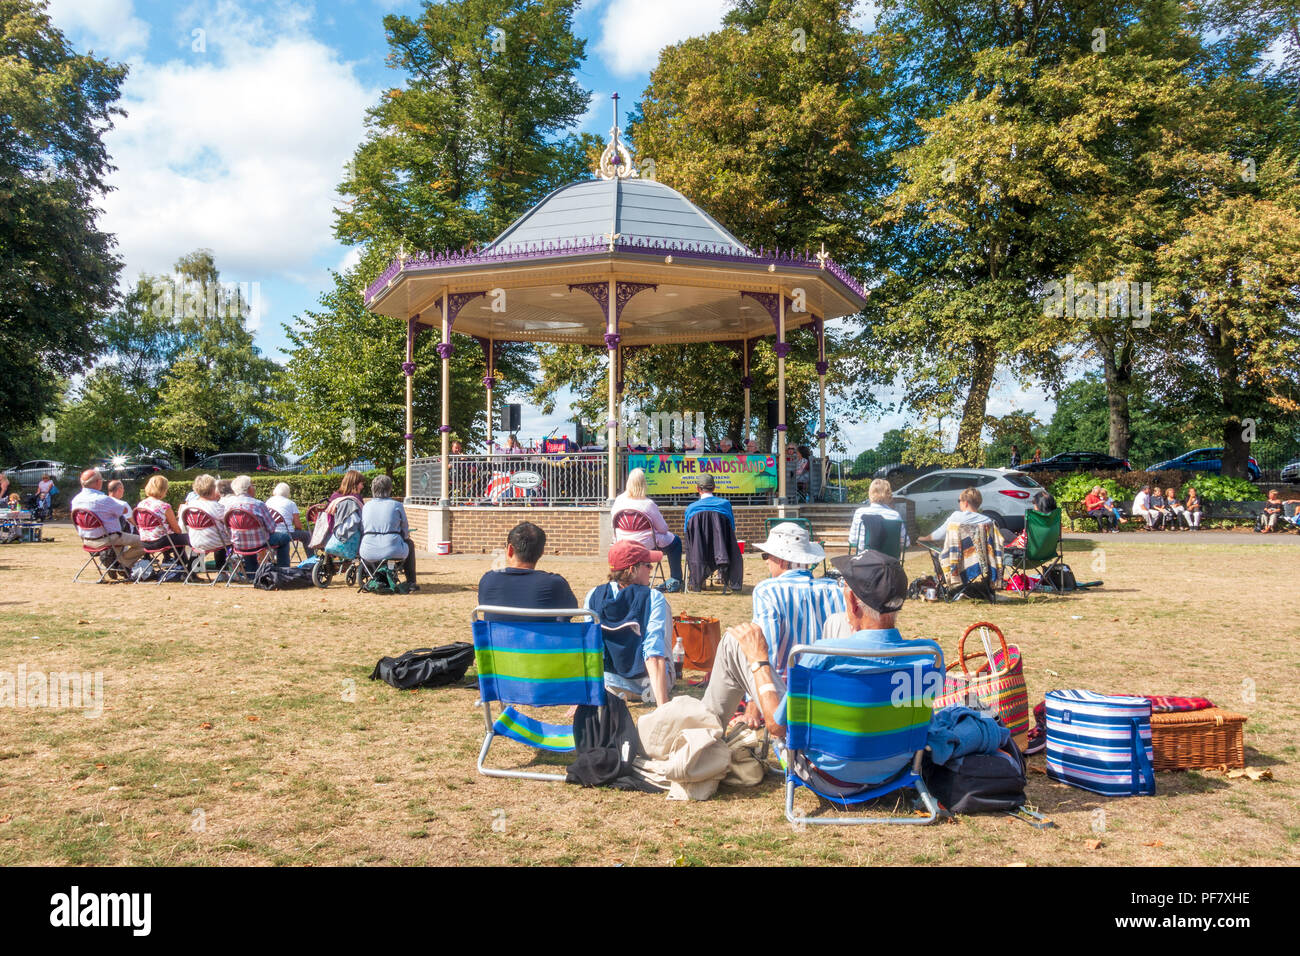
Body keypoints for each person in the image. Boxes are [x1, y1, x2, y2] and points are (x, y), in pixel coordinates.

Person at [701, 549, 942, 796]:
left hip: (827, 776)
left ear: (851, 600)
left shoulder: (818, 656)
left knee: (735, 642)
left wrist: (759, 661)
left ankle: (700, 740)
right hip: (894, 771)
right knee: (837, 622)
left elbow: (776, 726)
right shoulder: (929, 656)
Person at [749, 521, 845, 687]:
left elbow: (767, 649)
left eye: (766, 555)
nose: (765, 561)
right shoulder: (835, 589)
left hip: (785, 687)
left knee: (732, 645)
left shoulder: (767, 590)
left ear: (781, 560)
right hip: (826, 685)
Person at [584, 541, 672, 707]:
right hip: (648, 689)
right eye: (648, 565)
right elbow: (653, 653)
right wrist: (663, 707)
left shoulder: (593, 595)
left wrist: (586, 697)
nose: (651, 569)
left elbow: (590, 649)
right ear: (632, 570)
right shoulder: (653, 597)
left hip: (610, 686)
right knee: (661, 628)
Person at [476, 521, 577, 621]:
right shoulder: (556, 584)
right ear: (541, 552)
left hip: (499, 637)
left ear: (510, 549)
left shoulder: (488, 580)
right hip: (542, 637)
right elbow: (568, 613)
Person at [611, 468, 683, 591]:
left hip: (623, 545)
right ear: (644, 484)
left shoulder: (618, 501)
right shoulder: (648, 504)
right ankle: (676, 579)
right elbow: (663, 529)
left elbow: (613, 524)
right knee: (675, 542)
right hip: (646, 546)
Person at [69, 468, 146, 571]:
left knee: (120, 537)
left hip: (87, 541)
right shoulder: (102, 499)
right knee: (146, 543)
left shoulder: (75, 500)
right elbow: (123, 510)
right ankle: (122, 563)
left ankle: (117, 561)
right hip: (109, 539)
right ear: (98, 482)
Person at [683, 473, 740, 593]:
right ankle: (722, 575)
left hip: (699, 552)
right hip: (721, 552)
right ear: (714, 488)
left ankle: (698, 578)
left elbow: (687, 533)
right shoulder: (725, 505)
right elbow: (732, 529)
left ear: (698, 489)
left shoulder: (691, 508)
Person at [359, 474, 418, 588]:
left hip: (368, 550)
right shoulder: (396, 505)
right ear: (389, 488)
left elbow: (363, 527)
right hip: (393, 548)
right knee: (409, 544)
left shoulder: (366, 506)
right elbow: (405, 527)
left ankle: (378, 577)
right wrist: (404, 537)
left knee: (374, 548)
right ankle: (411, 582)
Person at [226, 474, 291, 570]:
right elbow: (271, 528)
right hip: (260, 542)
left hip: (239, 543)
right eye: (253, 485)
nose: (254, 487)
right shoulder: (258, 504)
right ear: (249, 489)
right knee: (285, 537)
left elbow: (226, 528)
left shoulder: (229, 506)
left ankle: (251, 573)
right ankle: (283, 570)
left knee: (248, 541)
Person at [135, 475, 193, 563]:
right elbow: (176, 529)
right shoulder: (164, 506)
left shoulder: (140, 505)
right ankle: (190, 567)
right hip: (160, 541)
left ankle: (180, 564)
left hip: (144, 542)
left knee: (176, 539)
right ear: (163, 489)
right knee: (192, 539)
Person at [179, 474, 231, 563]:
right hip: (216, 542)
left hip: (194, 541)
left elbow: (183, 526)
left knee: (202, 539)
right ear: (213, 489)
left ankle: (193, 571)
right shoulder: (217, 507)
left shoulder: (189, 506)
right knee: (224, 538)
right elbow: (228, 524)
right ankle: (222, 571)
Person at [848, 478, 909, 551]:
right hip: (890, 561)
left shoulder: (859, 513)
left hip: (865, 560)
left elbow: (852, 541)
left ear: (870, 493)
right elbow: (906, 543)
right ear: (888, 494)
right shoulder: (895, 515)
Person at [919, 486, 995, 543]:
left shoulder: (956, 517)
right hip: (982, 561)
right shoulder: (987, 520)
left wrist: (923, 539)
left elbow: (939, 535)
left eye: (959, 500)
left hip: (959, 560)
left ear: (965, 503)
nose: (958, 503)